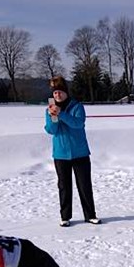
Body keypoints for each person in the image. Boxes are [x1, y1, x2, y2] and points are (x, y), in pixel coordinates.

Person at [45, 75, 101, 227]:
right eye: (55, 92)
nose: (57, 95)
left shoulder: (77, 106)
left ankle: (90, 215)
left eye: (60, 92)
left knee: (84, 185)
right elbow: (51, 130)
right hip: (61, 154)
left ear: (66, 92)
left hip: (80, 153)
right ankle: (65, 216)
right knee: (64, 186)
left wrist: (62, 114)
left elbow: (78, 123)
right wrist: (53, 117)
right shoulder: (49, 109)